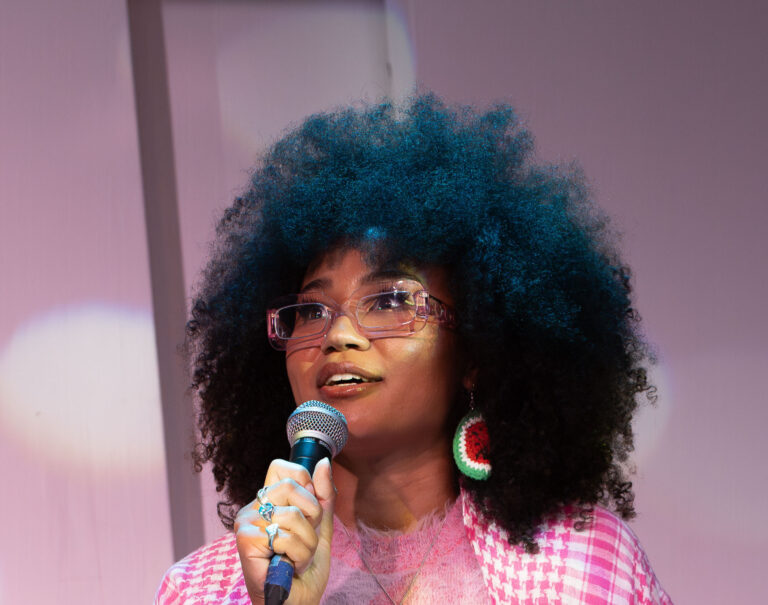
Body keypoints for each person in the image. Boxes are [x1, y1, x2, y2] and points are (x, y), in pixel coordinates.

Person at [155, 94, 672, 604]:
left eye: (389, 301)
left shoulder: (588, 564)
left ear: (474, 352)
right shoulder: (203, 589)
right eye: (311, 311)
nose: (338, 335)